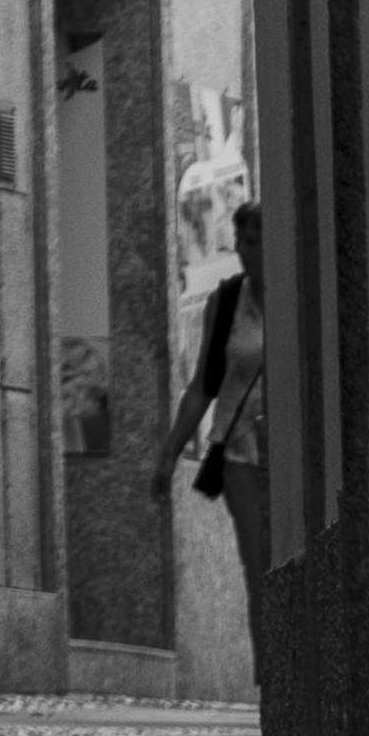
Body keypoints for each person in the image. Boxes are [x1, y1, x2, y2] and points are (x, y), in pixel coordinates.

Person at [159, 191, 267, 526]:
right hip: (240, 454)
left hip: (295, 454)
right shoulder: (226, 302)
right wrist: (169, 454)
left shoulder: (303, 297)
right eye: (238, 239)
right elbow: (203, 386)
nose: (240, 250)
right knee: (260, 563)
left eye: (250, 241)